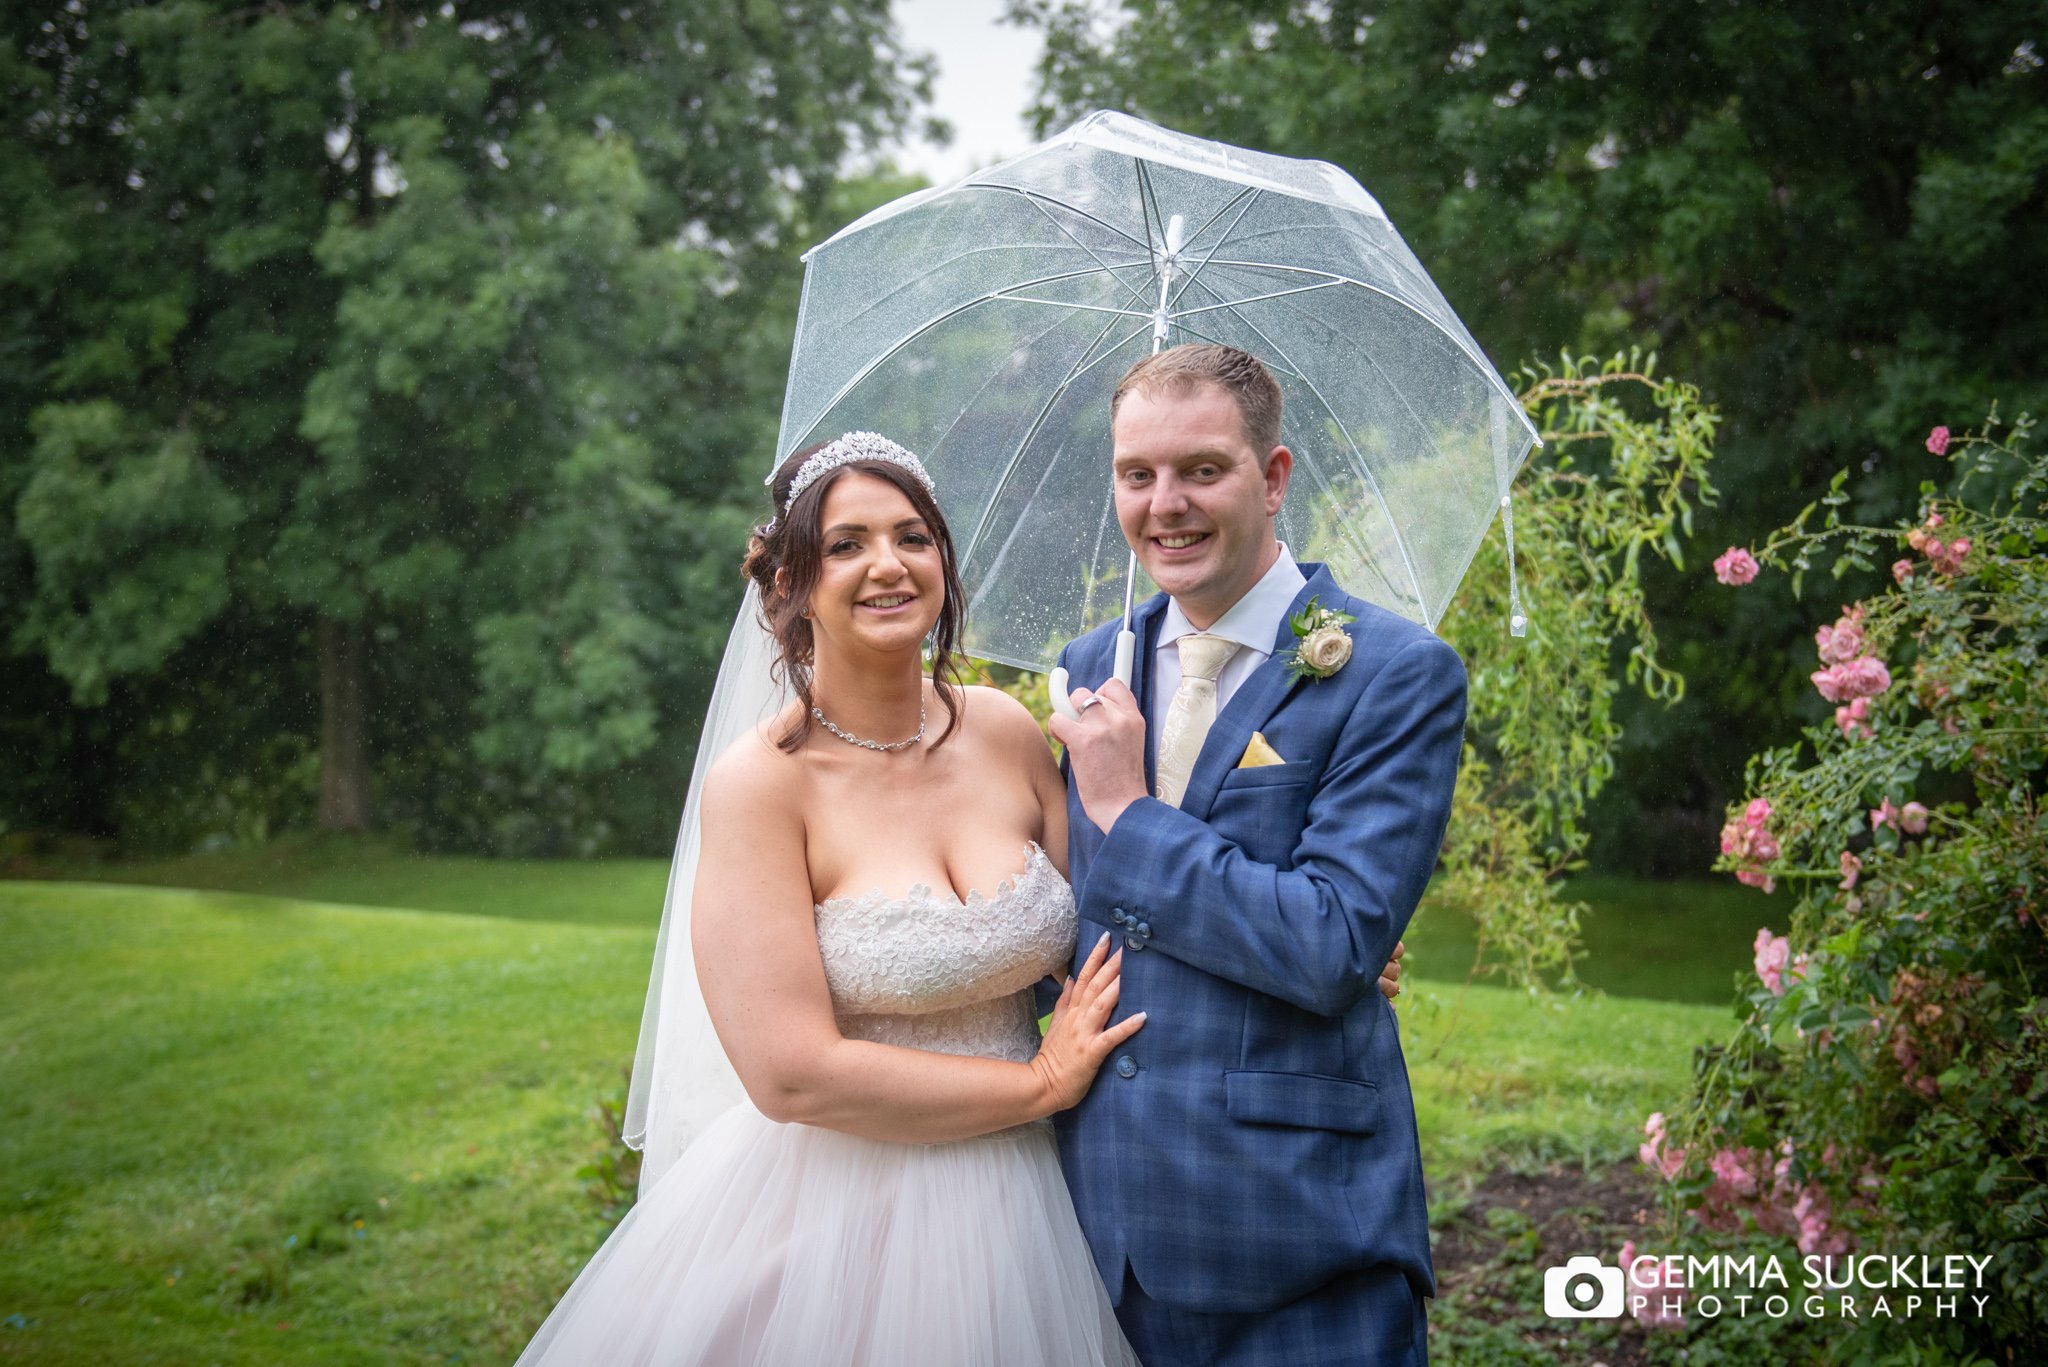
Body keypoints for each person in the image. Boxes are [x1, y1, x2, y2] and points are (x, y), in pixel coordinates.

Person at [513, 432, 1144, 1366]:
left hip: (1035, 1204)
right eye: (847, 544)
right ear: (792, 584)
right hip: (838, 1218)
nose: (887, 564)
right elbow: (791, 1071)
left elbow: (1119, 925)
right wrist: (1037, 1084)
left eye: (912, 537)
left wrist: (1274, 952)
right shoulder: (763, 785)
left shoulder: (1008, 732)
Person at [1048, 344, 1465, 1367]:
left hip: (1297, 1239)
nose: (1165, 504)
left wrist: (1125, 809)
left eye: (1201, 469)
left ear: (1272, 477)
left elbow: (1330, 943)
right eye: (1135, 474)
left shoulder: (1392, 673)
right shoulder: (1087, 671)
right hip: (1090, 1232)